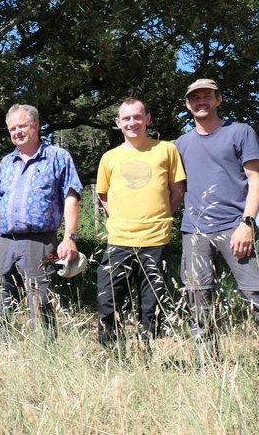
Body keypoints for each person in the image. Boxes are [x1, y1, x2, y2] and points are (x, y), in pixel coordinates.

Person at [177, 78, 259, 375]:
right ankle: (208, 371)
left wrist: (247, 223)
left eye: (207, 96)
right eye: (195, 97)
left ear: (218, 99)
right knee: (199, 300)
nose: (201, 101)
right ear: (188, 104)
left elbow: (256, 180)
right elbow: (174, 190)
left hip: (236, 226)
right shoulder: (179, 144)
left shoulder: (240, 132)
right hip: (194, 231)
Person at [95, 98, 186, 351]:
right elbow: (103, 195)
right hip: (119, 240)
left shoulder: (166, 149)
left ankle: (147, 354)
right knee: (108, 299)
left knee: (151, 304)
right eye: (126, 118)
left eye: (137, 117)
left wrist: (159, 216)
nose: (132, 122)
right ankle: (113, 354)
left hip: (155, 240)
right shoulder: (109, 157)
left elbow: (177, 191)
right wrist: (119, 218)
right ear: (118, 123)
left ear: (147, 119)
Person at [0, 104, 83, 339]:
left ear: (36, 125)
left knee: (40, 299)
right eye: (12, 128)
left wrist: (69, 237)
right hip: (4, 241)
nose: (17, 132)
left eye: (22, 126)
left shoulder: (57, 157)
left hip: (40, 241)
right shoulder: (6, 162)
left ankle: (45, 351)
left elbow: (71, 197)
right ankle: (3, 349)